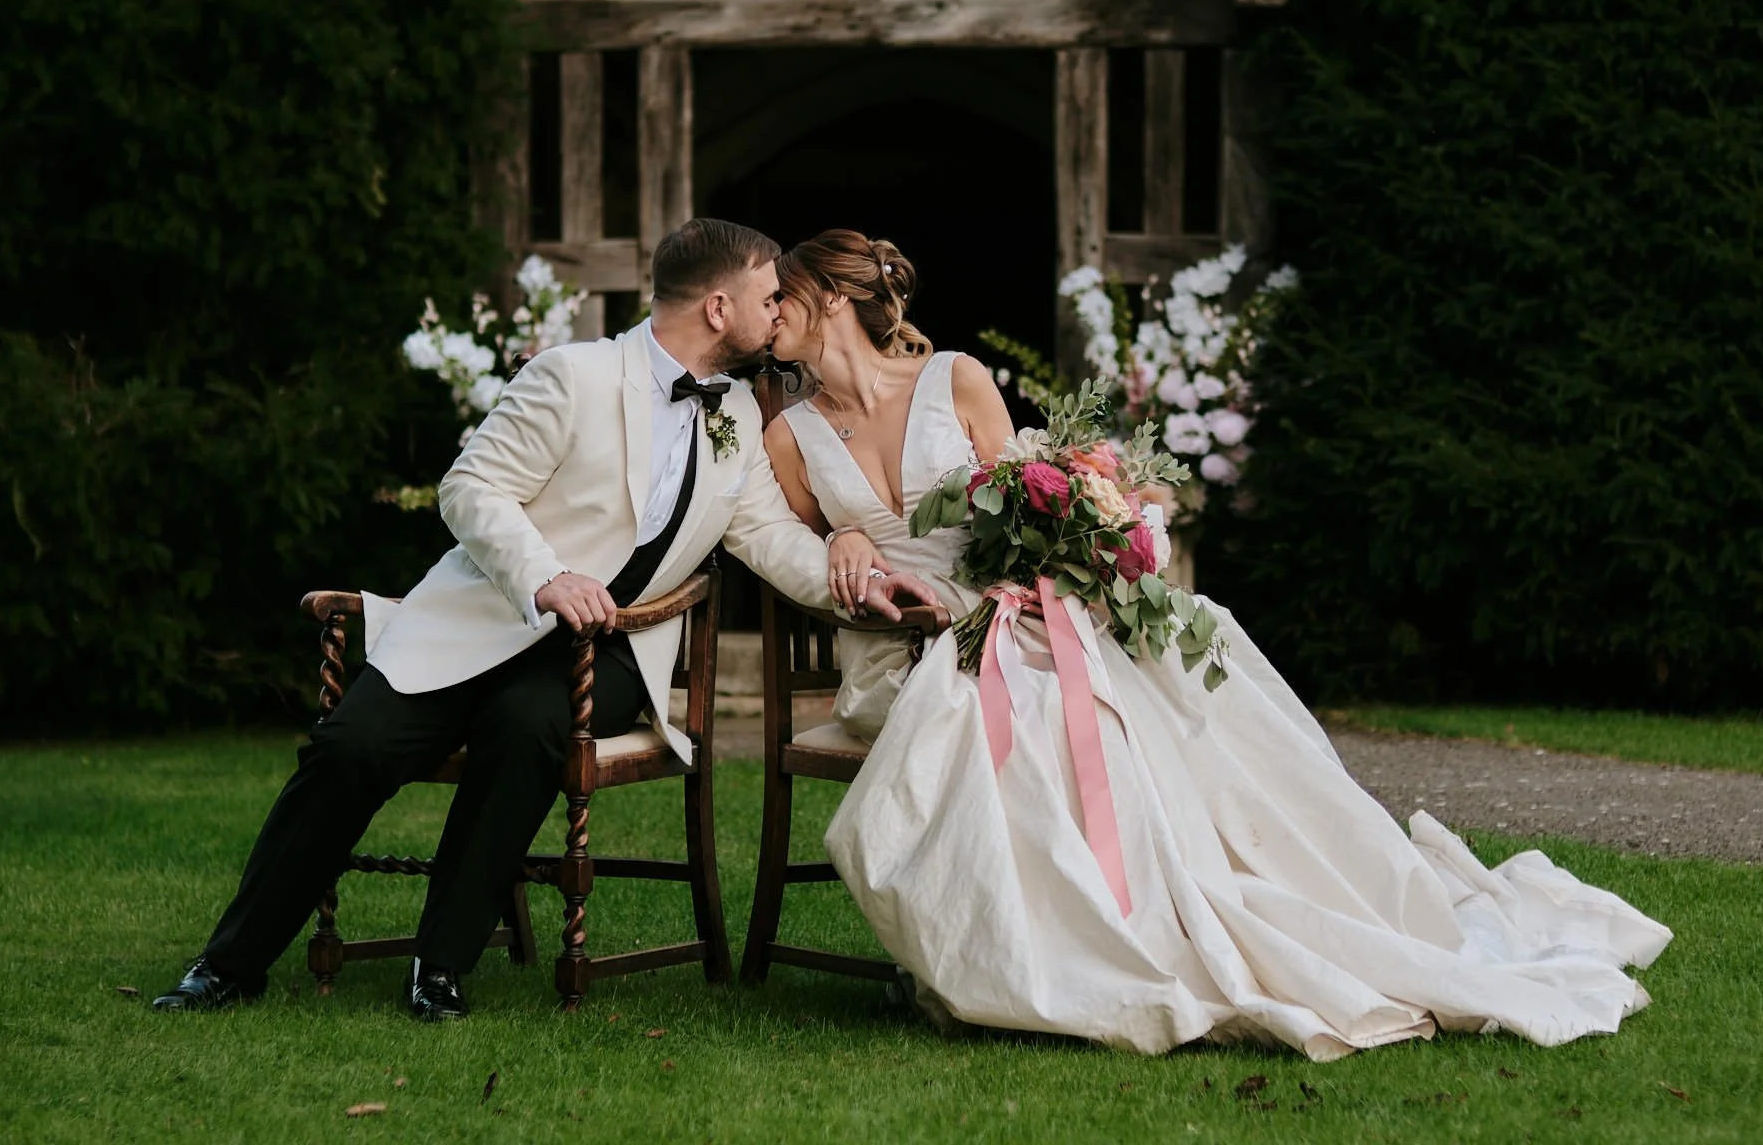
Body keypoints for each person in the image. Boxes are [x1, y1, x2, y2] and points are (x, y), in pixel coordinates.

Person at [763, 228, 1671, 1061]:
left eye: (783, 299)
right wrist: (844, 541)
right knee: (1029, 715)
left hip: (1025, 611)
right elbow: (802, 557)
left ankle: (1153, 928)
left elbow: (1016, 505)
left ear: (832, 298)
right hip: (907, 654)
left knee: (1116, 708)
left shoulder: (957, 379)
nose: (769, 317)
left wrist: (1058, 561)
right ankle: (1033, 950)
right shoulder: (787, 438)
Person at [152, 219, 939, 1020]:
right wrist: (546, 578)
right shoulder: (574, 376)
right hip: (480, 622)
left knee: (525, 728)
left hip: (609, 649)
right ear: (716, 307)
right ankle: (228, 965)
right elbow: (470, 488)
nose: (779, 311)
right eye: (767, 296)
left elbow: (768, 534)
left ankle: (440, 966)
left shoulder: (734, 410)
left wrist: (862, 584)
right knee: (348, 751)